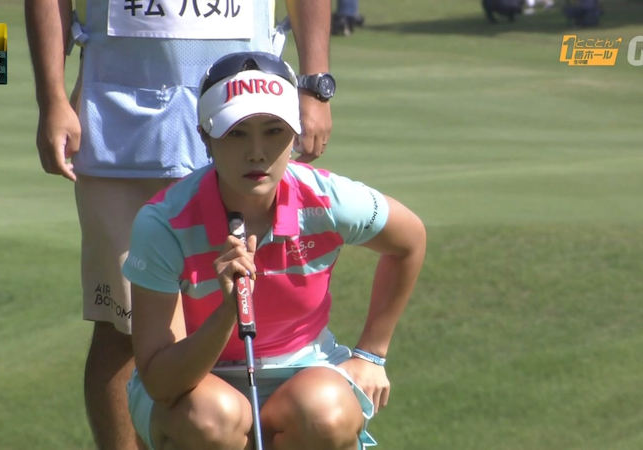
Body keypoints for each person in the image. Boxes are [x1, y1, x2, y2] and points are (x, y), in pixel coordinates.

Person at [24, 1, 334, 448]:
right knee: (124, 328)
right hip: (120, 126)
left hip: (248, 117)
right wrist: (51, 96)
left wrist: (314, 84)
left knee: (246, 322)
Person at [122, 51, 426, 449]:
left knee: (326, 414)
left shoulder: (327, 199)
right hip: (194, 387)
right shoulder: (164, 223)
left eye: (274, 131)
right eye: (236, 133)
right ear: (206, 137)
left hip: (305, 370)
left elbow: (409, 240)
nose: (257, 152)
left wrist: (372, 354)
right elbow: (162, 384)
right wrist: (229, 312)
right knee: (211, 419)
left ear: (295, 135)